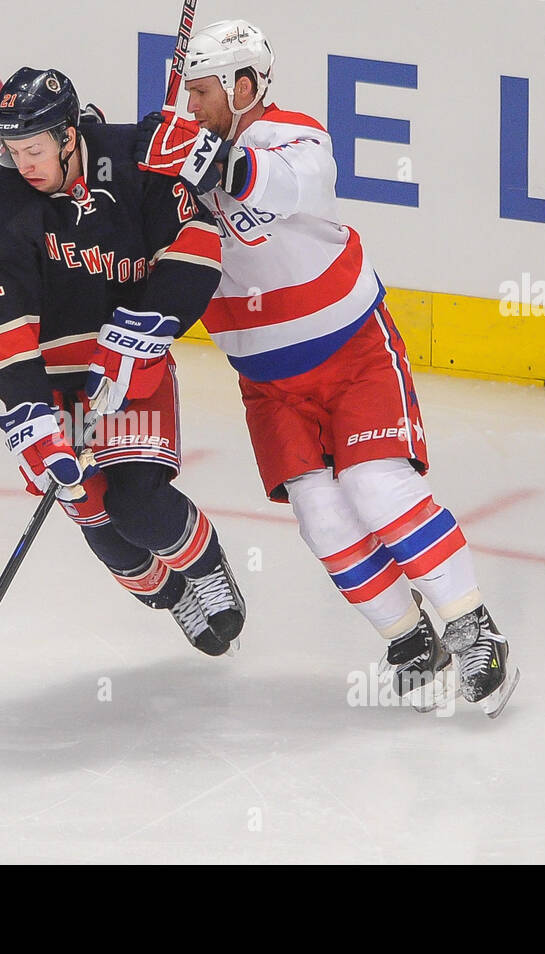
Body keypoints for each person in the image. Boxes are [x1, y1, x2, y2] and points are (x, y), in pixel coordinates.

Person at [135, 21, 519, 714]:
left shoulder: (291, 136)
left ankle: (473, 626)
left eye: (201, 93)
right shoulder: (177, 172)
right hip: (268, 387)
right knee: (321, 516)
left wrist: (207, 160)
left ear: (243, 86)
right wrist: (141, 171)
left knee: (376, 487)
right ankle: (410, 638)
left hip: (353, 356)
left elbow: (287, 184)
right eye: (184, 94)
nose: (190, 107)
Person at [0, 67, 245, 656]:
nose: (22, 163)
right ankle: (170, 595)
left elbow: (196, 248)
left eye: (33, 148)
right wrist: (31, 414)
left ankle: (208, 567)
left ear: (69, 136)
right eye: (11, 151)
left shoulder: (137, 160)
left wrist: (146, 331)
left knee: (136, 503)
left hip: (129, 362)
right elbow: (2, 326)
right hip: (54, 379)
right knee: (93, 512)